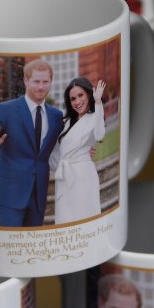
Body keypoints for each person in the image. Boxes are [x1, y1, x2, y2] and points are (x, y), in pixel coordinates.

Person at [0, 59, 64, 227]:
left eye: (45, 82)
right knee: (11, 246)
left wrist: (82, 151)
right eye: (36, 81)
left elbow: (63, 144)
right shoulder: (6, 109)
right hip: (11, 192)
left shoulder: (56, 116)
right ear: (26, 80)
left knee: (31, 246)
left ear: (51, 81)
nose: (41, 87)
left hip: (39, 193)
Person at [49, 77, 106, 224]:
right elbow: (56, 153)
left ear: (88, 94)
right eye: (73, 98)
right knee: (65, 220)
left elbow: (99, 134)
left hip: (83, 177)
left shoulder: (94, 117)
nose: (77, 101)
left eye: (81, 95)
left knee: (84, 218)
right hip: (64, 178)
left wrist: (98, 102)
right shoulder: (66, 123)